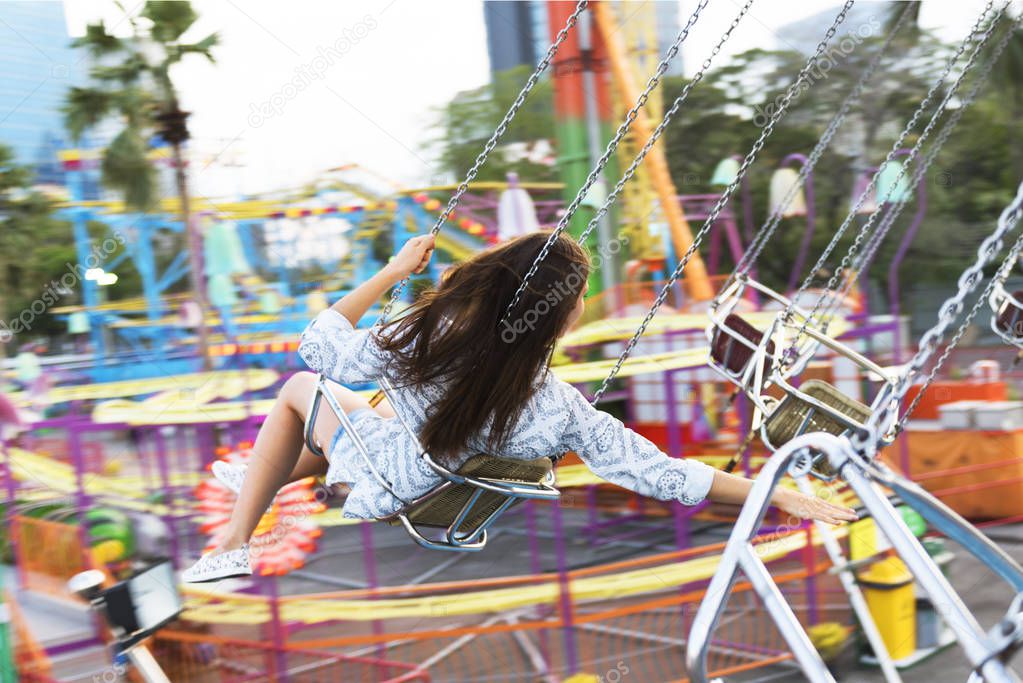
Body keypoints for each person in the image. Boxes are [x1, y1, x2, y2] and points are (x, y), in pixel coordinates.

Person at [183, 232, 856, 583]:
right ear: (558, 318)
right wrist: (774, 494)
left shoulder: (426, 341)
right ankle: (261, 480)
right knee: (368, 409)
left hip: (398, 470)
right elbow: (661, 472)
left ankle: (235, 541)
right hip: (432, 468)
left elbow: (317, 344)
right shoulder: (557, 404)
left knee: (302, 390)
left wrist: (392, 272)